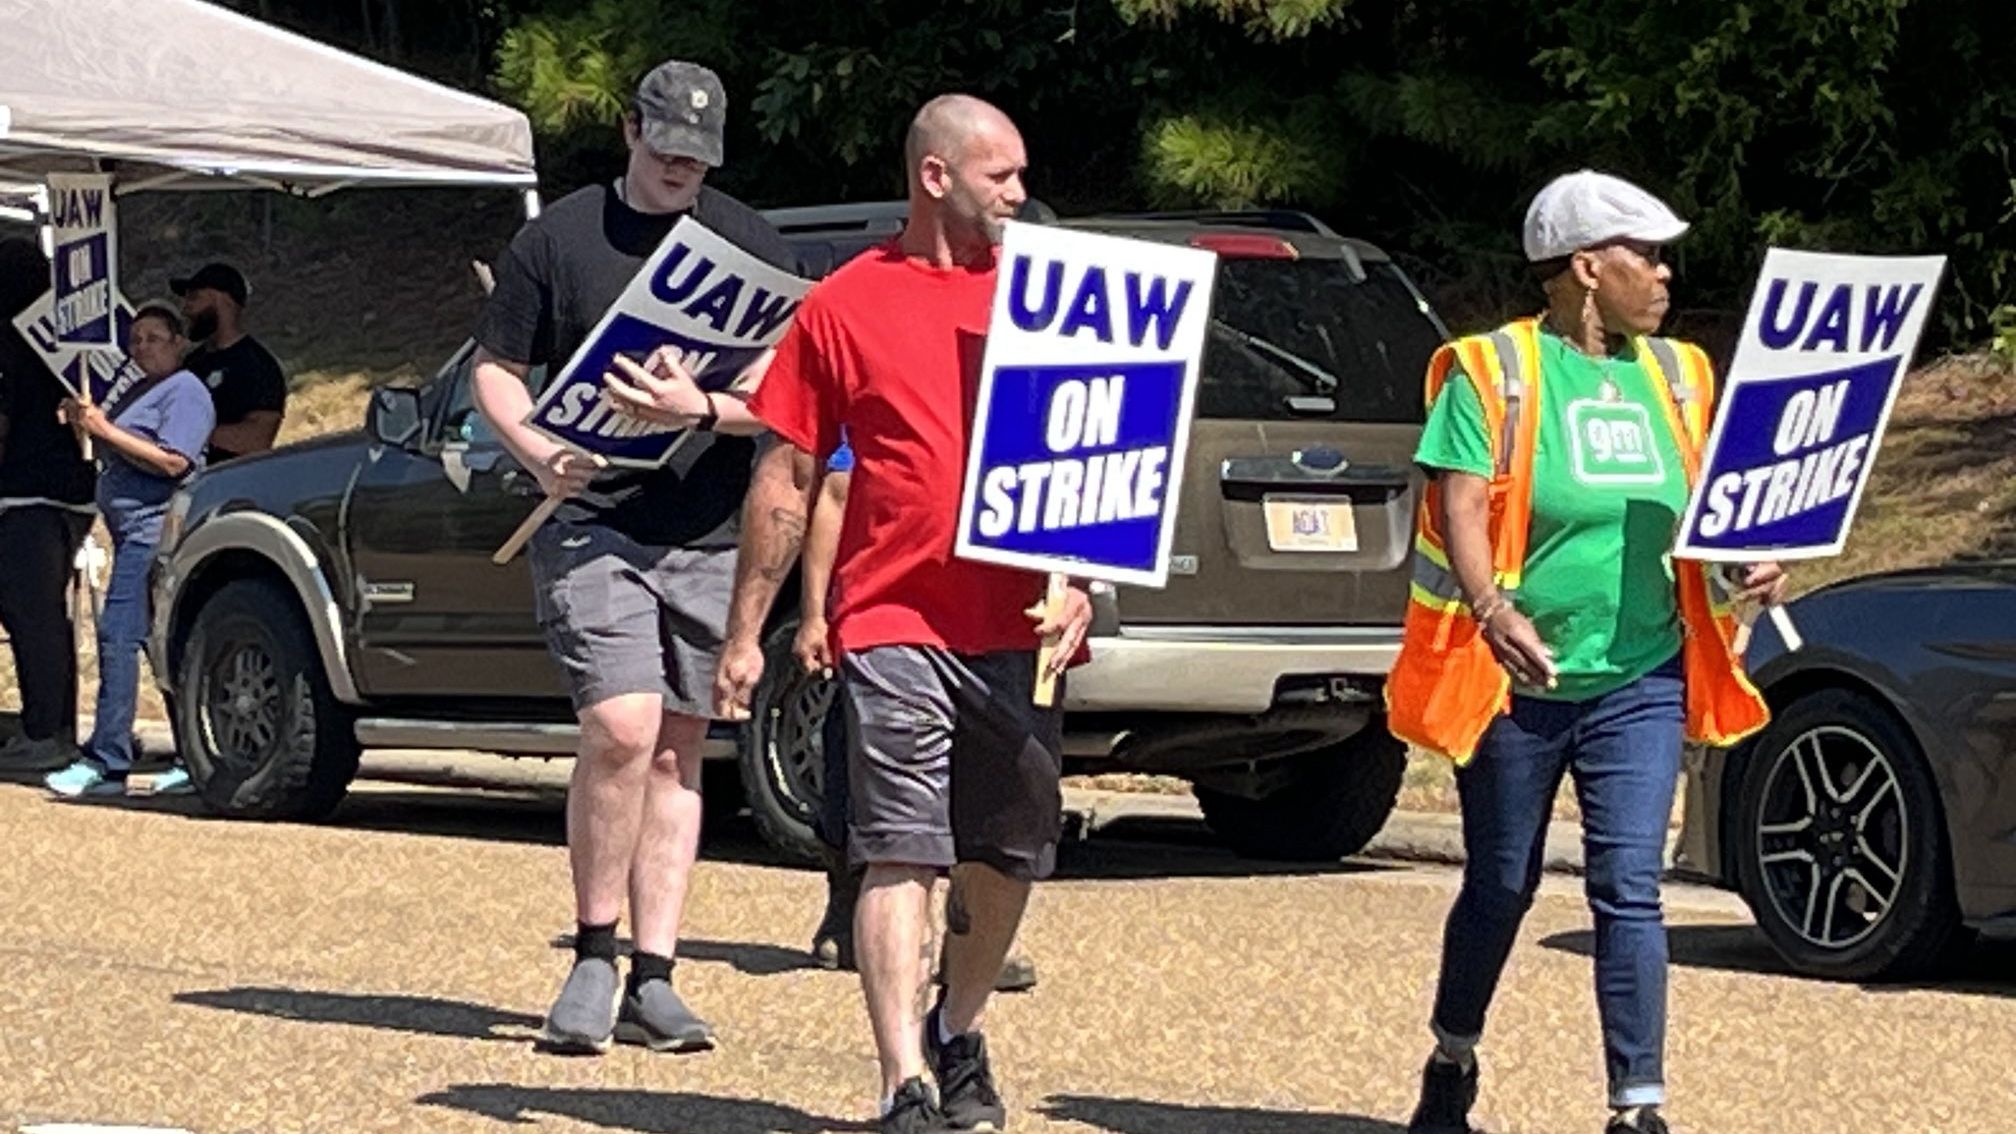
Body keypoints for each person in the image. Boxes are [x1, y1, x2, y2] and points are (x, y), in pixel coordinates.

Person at [718, 94, 1094, 1134]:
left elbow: (1101, 456)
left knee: (1011, 851)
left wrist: (1084, 578)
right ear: (936, 177)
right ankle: (903, 1082)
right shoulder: (843, 305)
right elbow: (791, 475)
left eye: (1021, 175)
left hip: (1018, 626)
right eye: (1001, 175)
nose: (1020, 194)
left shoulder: (1056, 299)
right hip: (891, 620)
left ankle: (957, 1028)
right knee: (901, 849)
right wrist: (751, 629)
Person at [1388, 169, 1788, 1134]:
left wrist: (1748, 566)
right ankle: (1454, 1054)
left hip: (1641, 675)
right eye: (1644, 255)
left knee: (1628, 888)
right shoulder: (1491, 370)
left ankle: (1636, 1108)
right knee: (1502, 884)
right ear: (1584, 267)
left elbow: (1712, 512)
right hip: (1520, 682)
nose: (1663, 272)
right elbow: (1463, 502)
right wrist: (1492, 608)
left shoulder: (1684, 374)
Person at [467, 57, 796, 1057]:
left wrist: (697, 407)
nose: (679, 172)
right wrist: (535, 449)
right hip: (588, 517)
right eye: (665, 154)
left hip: (702, 522)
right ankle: (593, 953)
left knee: (679, 746)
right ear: (629, 132)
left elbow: (783, 400)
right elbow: (495, 368)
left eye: (697, 162)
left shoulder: (747, 243)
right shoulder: (558, 238)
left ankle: (657, 973)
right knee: (619, 724)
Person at [799, 431, 1038, 995]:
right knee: (864, 761)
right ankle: (849, 899)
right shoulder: (882, 379)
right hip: (889, 610)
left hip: (987, 619)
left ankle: (971, 936)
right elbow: (835, 491)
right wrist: (814, 613)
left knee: (986, 785)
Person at [43, 304, 214, 798]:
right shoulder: (139, 390)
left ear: (177, 342)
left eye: (154, 338)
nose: (142, 348)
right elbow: (109, 444)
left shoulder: (185, 391)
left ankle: (108, 760)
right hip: (126, 531)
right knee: (155, 643)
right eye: (135, 340)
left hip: (155, 529)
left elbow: (172, 461)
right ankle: (191, 753)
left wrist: (106, 430)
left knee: (119, 636)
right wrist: (84, 423)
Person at [0, 237, 97, 772]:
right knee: (48, 616)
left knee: (30, 613)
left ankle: (43, 732)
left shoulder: (7, 340)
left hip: (24, 493)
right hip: (76, 491)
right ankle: (56, 725)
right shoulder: (69, 337)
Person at [171, 262, 287, 464]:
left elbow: (257, 439)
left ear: (220, 299)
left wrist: (191, 432)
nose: (185, 309)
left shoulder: (258, 366)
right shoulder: (192, 363)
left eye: (194, 298)